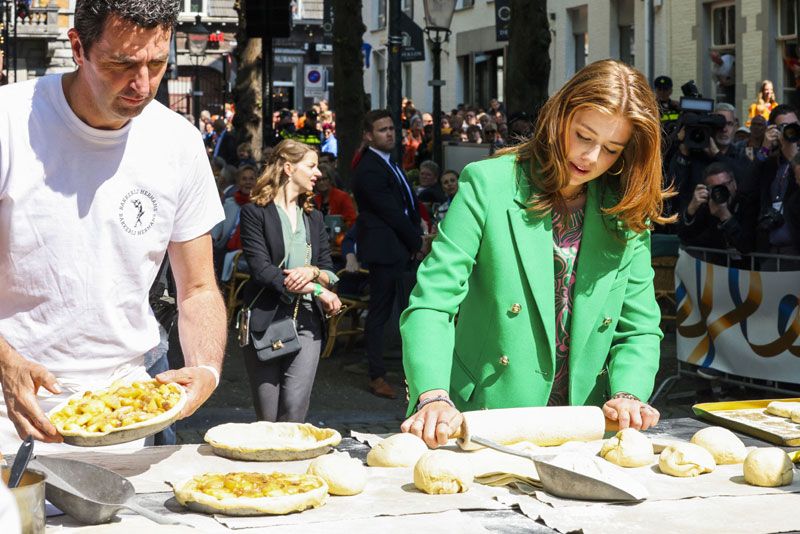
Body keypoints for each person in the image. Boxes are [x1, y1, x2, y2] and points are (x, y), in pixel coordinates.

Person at [399, 59, 671, 448]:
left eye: (611, 149)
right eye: (583, 136)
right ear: (560, 115)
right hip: (480, 419)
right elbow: (432, 303)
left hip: (586, 427)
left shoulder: (624, 209)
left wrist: (628, 393)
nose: (591, 158)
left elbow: (639, 327)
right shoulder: (489, 183)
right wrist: (433, 395)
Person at [0, 0, 226, 452]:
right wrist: (6, 362)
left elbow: (199, 288)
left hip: (128, 410)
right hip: (10, 414)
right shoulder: (9, 122)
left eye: (157, 63)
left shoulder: (177, 141)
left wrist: (206, 367)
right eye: (122, 64)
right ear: (79, 48)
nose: (142, 84)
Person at [239, 140, 342, 422]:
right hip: (266, 322)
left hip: (307, 321)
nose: (318, 173)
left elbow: (329, 269)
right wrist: (317, 288)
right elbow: (262, 270)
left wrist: (312, 273)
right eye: (311, 166)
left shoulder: (314, 217)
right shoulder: (254, 213)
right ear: (288, 168)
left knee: (294, 410)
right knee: (267, 417)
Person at [352, 110, 426, 399]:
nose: (390, 134)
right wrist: (416, 239)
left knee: (404, 309)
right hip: (386, 248)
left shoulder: (388, 162)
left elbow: (406, 201)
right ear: (369, 135)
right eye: (383, 130)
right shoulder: (370, 167)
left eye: (392, 128)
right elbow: (390, 212)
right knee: (381, 312)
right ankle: (377, 374)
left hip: (397, 246)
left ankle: (407, 371)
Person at [677, 162, 758, 266]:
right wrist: (691, 208)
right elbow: (684, 236)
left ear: (734, 184)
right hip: (717, 269)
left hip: (748, 270)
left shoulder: (747, 204)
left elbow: (746, 245)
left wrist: (725, 217)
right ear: (708, 190)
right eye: (715, 188)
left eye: (725, 185)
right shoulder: (707, 207)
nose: (722, 191)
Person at [313, 163, 357, 228]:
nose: (321, 183)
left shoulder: (342, 197)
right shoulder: (315, 199)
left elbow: (352, 220)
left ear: (330, 180)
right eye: (318, 180)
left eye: (324, 179)